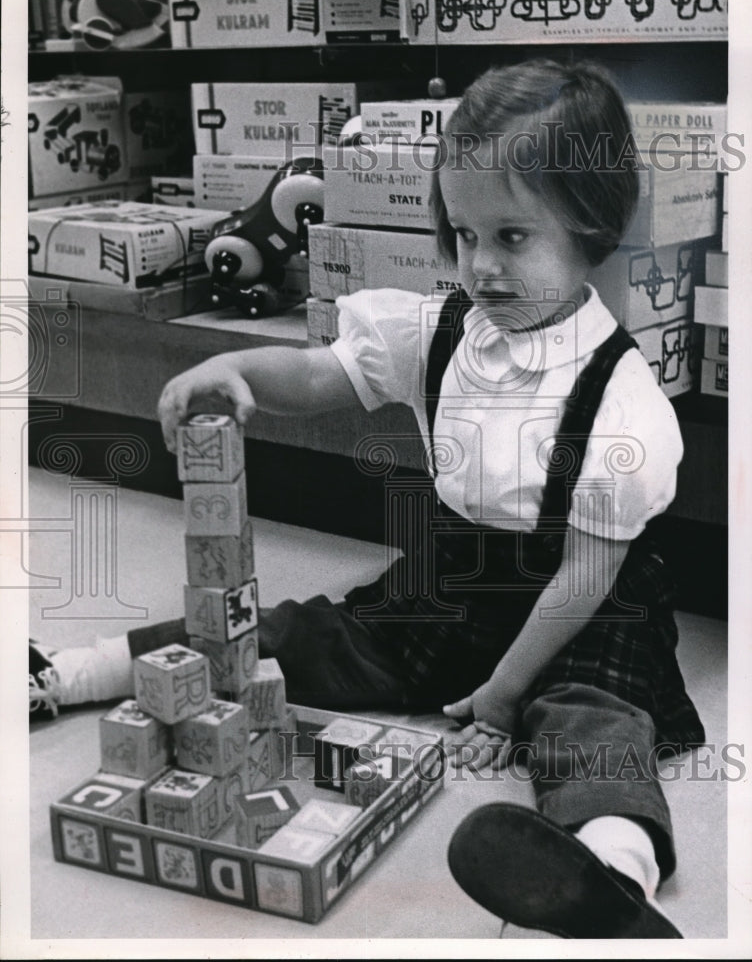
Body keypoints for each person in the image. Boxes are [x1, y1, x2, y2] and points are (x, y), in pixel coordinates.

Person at [30, 59, 705, 939]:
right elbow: (323, 374)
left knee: (591, 723)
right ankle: (64, 674)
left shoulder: (622, 398)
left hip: (585, 607)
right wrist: (234, 366)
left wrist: (501, 698)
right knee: (295, 632)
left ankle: (615, 875)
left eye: (512, 238)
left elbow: (583, 578)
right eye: (463, 235)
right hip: (455, 581)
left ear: (591, 230)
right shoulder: (442, 328)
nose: (481, 267)